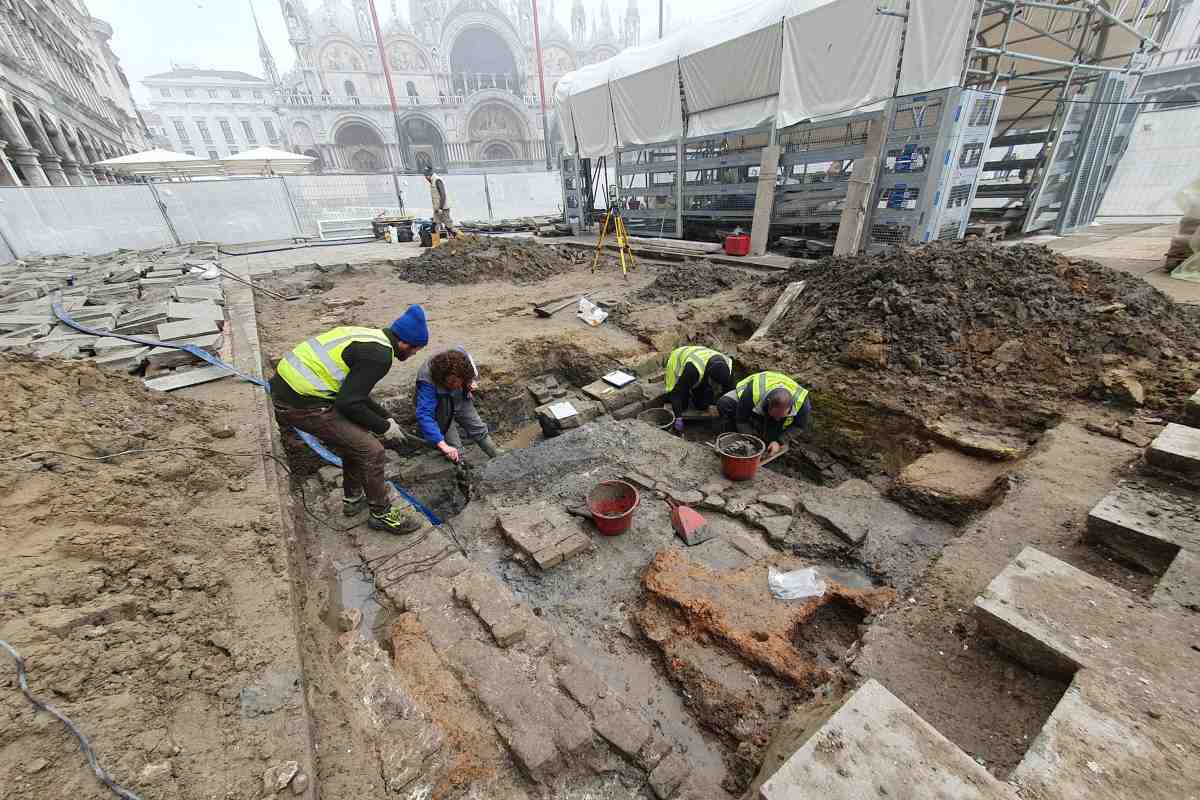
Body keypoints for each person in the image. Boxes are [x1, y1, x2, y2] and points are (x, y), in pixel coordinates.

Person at [271, 305, 429, 534]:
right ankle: (381, 514)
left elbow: (355, 394)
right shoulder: (380, 357)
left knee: (355, 442)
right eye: (416, 349)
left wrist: (386, 417)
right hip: (301, 404)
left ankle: (353, 500)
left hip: (293, 391)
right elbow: (348, 403)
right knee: (372, 450)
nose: (415, 354)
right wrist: (383, 427)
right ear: (405, 343)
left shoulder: (372, 338)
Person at [414, 346, 502, 463]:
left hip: (459, 396)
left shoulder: (461, 356)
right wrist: (442, 445)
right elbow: (425, 415)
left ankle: (496, 454)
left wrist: (468, 384)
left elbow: (470, 373)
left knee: (477, 426)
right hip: (440, 403)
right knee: (453, 445)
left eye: (460, 381)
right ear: (443, 377)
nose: (457, 384)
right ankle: (462, 466)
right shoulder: (427, 380)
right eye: (453, 382)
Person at [717, 371, 811, 458]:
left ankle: (767, 440)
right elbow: (741, 420)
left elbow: (799, 426)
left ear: (791, 408)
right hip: (748, 400)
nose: (777, 419)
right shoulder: (752, 392)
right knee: (724, 403)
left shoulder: (802, 403)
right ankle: (732, 440)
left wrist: (779, 441)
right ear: (768, 404)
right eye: (775, 415)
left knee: (769, 437)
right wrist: (752, 439)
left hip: (767, 412)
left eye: (781, 416)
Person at [663, 345, 735, 433]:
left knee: (702, 405)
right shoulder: (693, 369)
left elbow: (729, 392)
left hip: (702, 365)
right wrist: (678, 417)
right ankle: (685, 392)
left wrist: (722, 412)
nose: (718, 389)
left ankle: (693, 391)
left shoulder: (728, 369)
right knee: (682, 405)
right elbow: (676, 394)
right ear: (709, 377)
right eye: (715, 386)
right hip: (679, 357)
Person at [424, 165, 458, 238]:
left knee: (449, 227)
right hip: (437, 209)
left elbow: (443, 195)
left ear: (429, 174)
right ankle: (436, 245)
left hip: (443, 208)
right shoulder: (432, 181)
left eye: (426, 176)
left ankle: (462, 239)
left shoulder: (437, 180)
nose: (426, 178)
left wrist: (440, 208)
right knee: (434, 227)